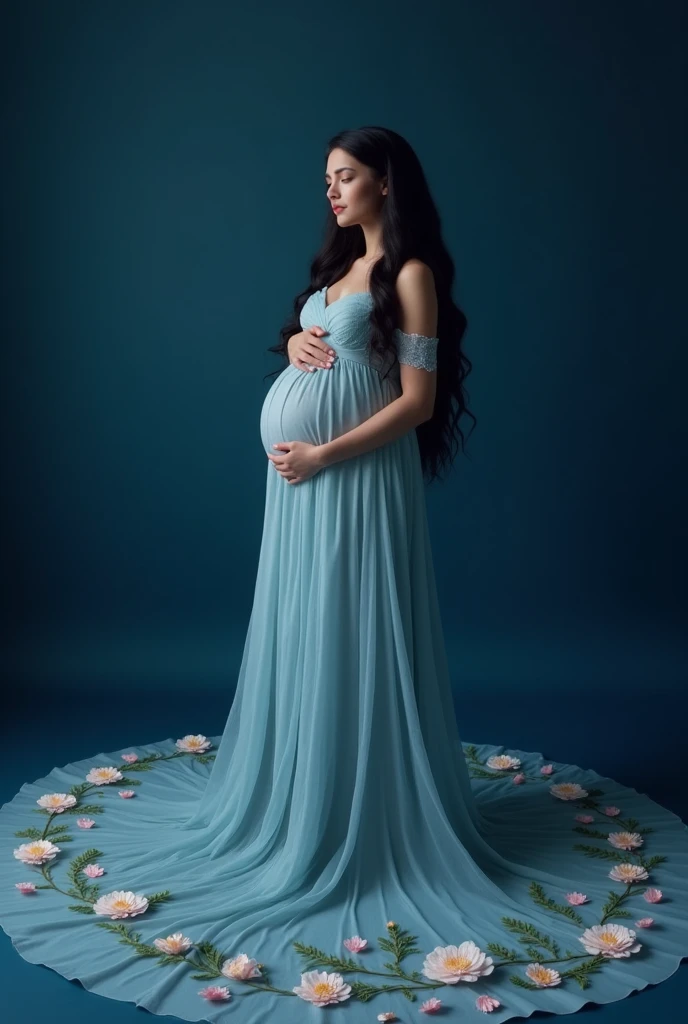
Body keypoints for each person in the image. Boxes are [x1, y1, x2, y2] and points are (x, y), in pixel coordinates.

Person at [2, 126, 687, 1024]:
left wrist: (323, 455)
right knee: (304, 627)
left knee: (352, 625)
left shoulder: (411, 276)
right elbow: (328, 345)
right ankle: (301, 790)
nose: (331, 190)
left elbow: (416, 401)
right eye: (326, 178)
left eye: (346, 176)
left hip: (352, 485)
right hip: (304, 490)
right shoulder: (340, 273)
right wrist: (294, 341)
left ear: (386, 183)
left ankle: (357, 814)